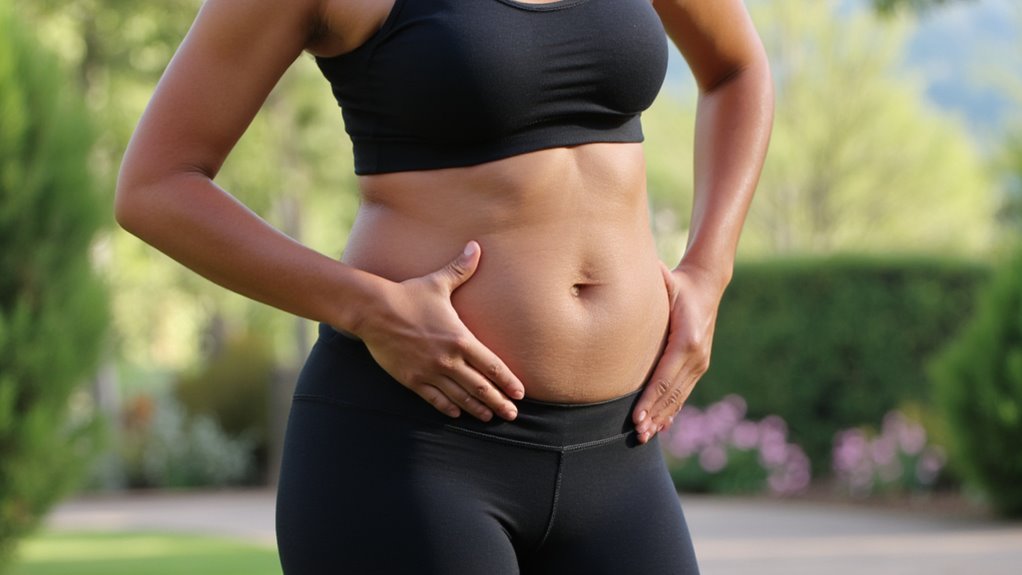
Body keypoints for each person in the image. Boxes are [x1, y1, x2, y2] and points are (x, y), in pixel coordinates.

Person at [116, 0, 772, 572]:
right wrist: (368, 307)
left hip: (621, 450)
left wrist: (709, 272)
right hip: (412, 451)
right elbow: (156, 184)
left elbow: (737, 70)